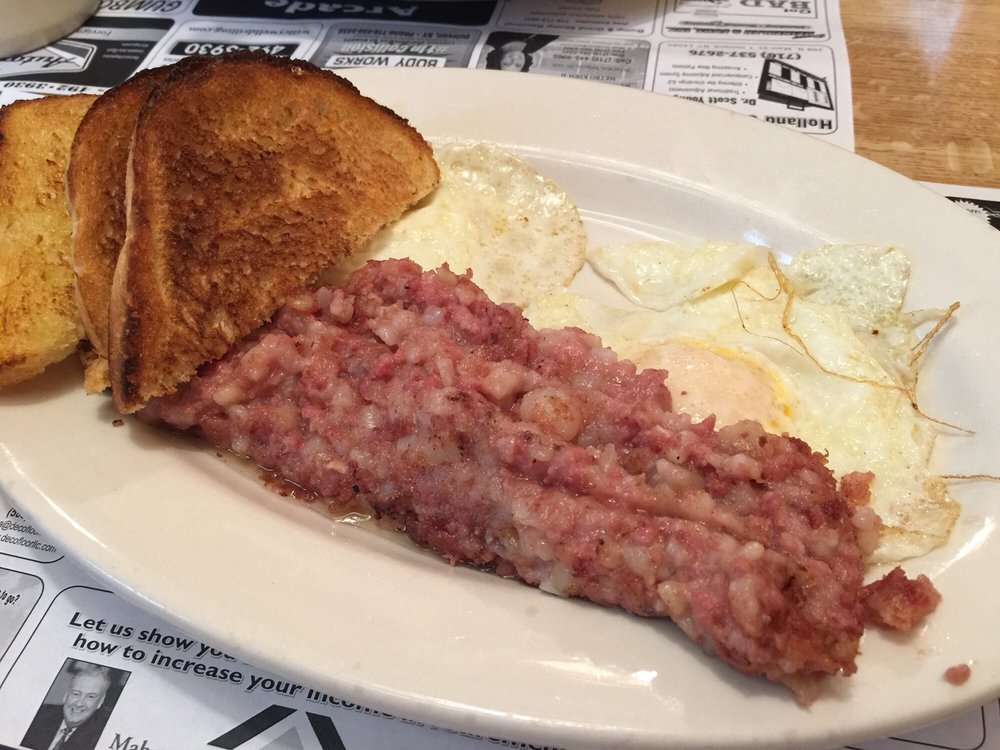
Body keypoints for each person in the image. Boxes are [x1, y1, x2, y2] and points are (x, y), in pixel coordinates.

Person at [21, 663, 113, 750]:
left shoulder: (103, 737)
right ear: (66, 695)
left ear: (100, 702)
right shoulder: (38, 715)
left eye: (91, 697)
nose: (79, 703)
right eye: (76, 694)